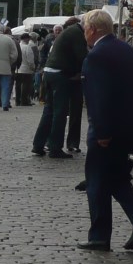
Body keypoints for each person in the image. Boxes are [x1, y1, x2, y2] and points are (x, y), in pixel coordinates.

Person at [77, 10, 133, 253]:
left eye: (85, 27)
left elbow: (98, 98)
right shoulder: (126, 49)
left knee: (96, 181)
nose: (84, 32)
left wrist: (102, 132)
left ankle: (99, 236)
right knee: (117, 176)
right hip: (130, 127)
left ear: (93, 29)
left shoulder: (96, 56)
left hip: (107, 130)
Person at [32, 17, 87, 159]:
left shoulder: (70, 31)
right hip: (60, 75)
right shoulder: (77, 34)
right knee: (60, 112)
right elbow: (83, 57)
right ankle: (55, 148)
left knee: (49, 110)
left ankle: (38, 145)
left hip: (50, 72)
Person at [15, 33, 37, 106]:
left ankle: (17, 100)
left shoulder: (17, 46)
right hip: (26, 69)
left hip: (17, 69)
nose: (29, 40)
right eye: (28, 38)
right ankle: (24, 101)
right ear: (26, 38)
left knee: (18, 85)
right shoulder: (27, 47)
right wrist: (33, 67)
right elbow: (30, 60)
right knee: (26, 85)